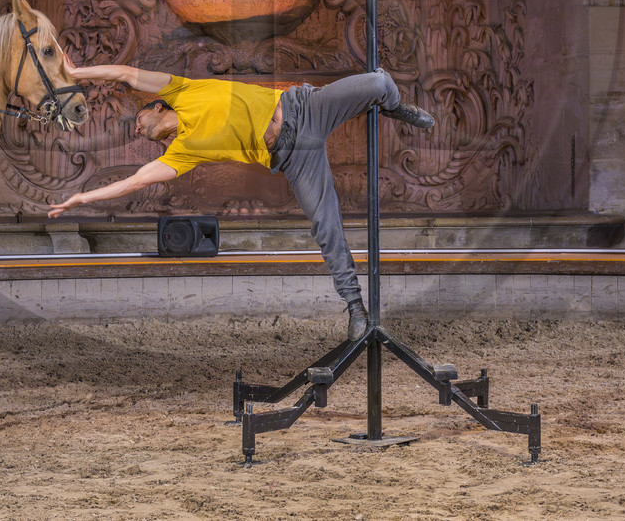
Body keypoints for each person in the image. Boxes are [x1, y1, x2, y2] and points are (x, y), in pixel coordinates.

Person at [48, 66, 434, 340]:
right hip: (292, 155)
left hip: (303, 108)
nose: (136, 127)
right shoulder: (180, 153)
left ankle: (394, 106)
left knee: (380, 82)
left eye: (138, 118)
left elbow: (126, 75)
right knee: (325, 226)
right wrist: (83, 197)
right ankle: (355, 307)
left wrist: (76, 73)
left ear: (158, 106)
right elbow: (133, 181)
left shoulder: (182, 89)